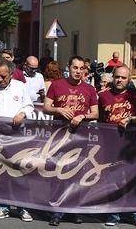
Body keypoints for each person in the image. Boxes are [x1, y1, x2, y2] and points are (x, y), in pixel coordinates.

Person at [43, 55, 99, 226]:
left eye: (82, 68)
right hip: (59, 135)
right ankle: (56, 210)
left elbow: (96, 113)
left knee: (77, 172)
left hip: (80, 135)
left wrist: (83, 115)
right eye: (75, 68)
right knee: (58, 171)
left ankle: (73, 209)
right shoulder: (57, 84)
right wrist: (59, 109)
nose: (78, 71)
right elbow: (46, 107)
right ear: (69, 67)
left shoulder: (90, 89)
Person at [0, 59, 34, 222]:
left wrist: (22, 114)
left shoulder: (20, 87)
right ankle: (2, 206)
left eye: (4, 76)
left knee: (20, 170)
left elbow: (29, 106)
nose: (1, 79)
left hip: (17, 135)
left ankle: (23, 206)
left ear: (11, 74)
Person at [99, 65, 136, 228]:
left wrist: (131, 120)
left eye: (123, 77)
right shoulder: (104, 96)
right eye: (117, 77)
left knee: (133, 180)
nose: (119, 80)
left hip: (132, 146)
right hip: (111, 146)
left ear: (129, 79)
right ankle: (113, 214)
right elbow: (100, 121)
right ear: (113, 77)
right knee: (113, 181)